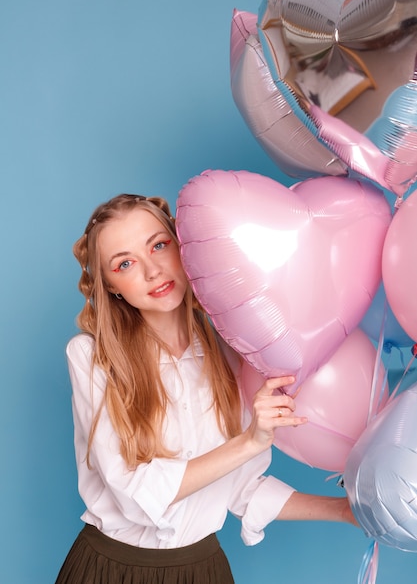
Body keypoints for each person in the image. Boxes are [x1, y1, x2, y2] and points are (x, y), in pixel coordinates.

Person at [55, 193, 357, 583]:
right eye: (125, 263)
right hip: (112, 571)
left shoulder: (232, 353)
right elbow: (134, 493)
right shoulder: (91, 357)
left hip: (203, 571)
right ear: (111, 286)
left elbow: (241, 488)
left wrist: (346, 511)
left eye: (159, 245)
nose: (152, 271)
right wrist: (249, 441)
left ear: (183, 248)